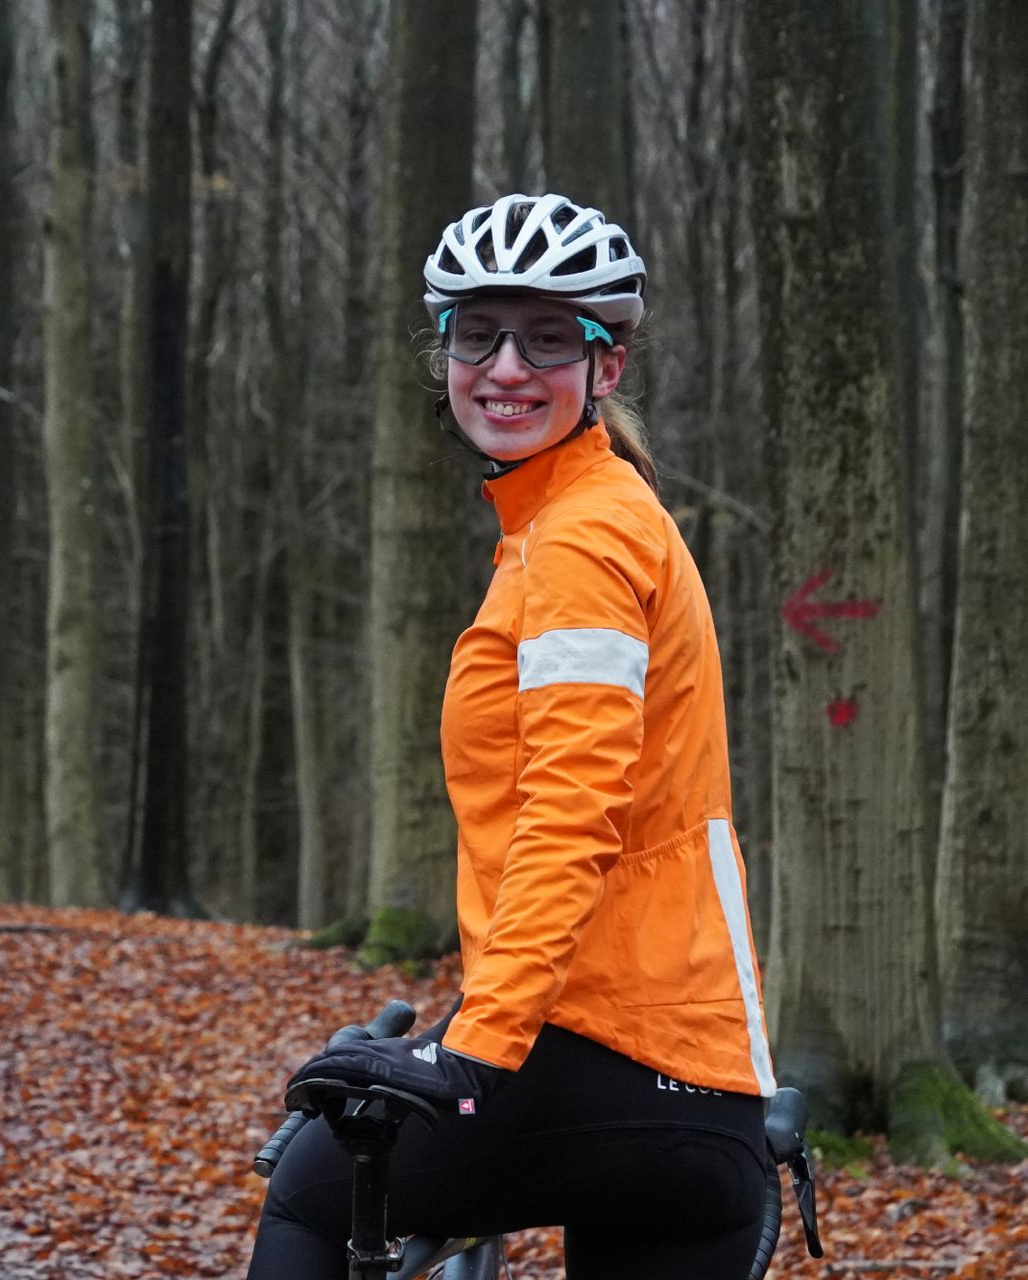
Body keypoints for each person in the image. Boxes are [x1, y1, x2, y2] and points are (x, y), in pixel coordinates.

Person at [246, 193, 778, 1280]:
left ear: (607, 366)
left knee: (310, 1185)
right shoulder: (581, 520)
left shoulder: (581, 542)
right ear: (442, 354)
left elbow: (573, 811)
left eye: (548, 336)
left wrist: (471, 1048)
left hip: (615, 1046)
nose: (505, 366)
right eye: (477, 332)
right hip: (689, 1073)